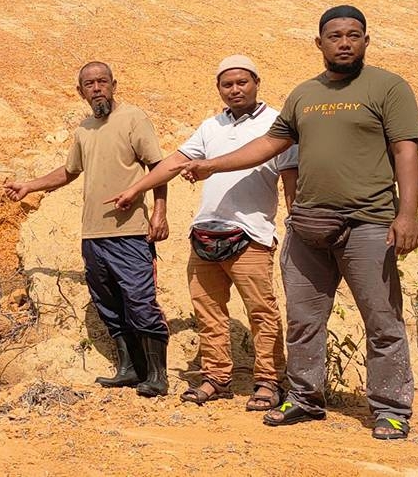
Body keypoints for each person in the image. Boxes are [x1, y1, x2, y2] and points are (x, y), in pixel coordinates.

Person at [178, 5, 418, 440]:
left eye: (352, 35)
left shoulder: (389, 87)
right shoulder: (304, 94)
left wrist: (407, 214)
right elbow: (268, 143)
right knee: (304, 321)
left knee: (382, 320)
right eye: (334, 36)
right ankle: (306, 398)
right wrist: (212, 165)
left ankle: (390, 408)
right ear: (319, 43)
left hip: (367, 223)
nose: (343, 42)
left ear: (366, 40)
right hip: (308, 226)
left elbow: (406, 152)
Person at [105, 55, 297, 411]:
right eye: (227, 84)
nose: (235, 89)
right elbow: (176, 161)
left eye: (242, 82)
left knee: (261, 313)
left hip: (250, 235)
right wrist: (137, 189)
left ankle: (270, 381)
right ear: (219, 89)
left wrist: (294, 222)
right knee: (208, 313)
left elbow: (290, 181)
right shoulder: (211, 127)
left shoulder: (277, 125)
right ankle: (216, 378)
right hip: (205, 234)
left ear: (256, 82)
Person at [4, 61, 171, 396]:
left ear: (114, 84)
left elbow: (159, 167)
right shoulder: (84, 129)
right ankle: (129, 369)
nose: (97, 88)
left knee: (139, 300)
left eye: (103, 81)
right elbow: (69, 172)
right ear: (80, 91)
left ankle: (157, 376)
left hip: (130, 233)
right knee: (108, 302)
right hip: (93, 235)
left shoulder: (133, 119)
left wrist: (159, 212)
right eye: (90, 84)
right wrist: (30, 186)